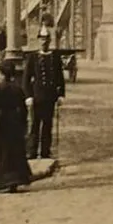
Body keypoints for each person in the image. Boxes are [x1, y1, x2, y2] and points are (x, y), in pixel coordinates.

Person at [0, 59, 33, 193]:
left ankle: (3, 180)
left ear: (1, 73)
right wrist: (23, 124)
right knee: (15, 151)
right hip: (15, 122)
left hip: (2, 123)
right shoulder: (17, 88)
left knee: (2, 152)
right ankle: (15, 181)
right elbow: (23, 109)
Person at [21, 27, 65, 160]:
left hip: (50, 97)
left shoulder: (55, 57)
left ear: (50, 40)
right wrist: (28, 96)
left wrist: (61, 94)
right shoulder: (33, 57)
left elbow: (60, 77)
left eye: (46, 39)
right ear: (38, 40)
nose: (44, 42)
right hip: (36, 96)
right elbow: (26, 79)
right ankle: (32, 151)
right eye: (42, 39)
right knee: (34, 125)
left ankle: (45, 151)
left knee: (47, 125)